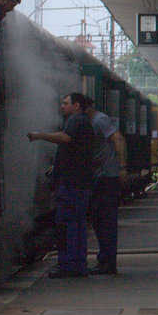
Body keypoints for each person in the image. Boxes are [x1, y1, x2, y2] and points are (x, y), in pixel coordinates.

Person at [28, 92, 97, 277]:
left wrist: (39, 135)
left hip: (71, 184)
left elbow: (66, 138)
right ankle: (79, 265)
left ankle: (67, 266)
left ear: (76, 105)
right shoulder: (85, 122)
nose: (62, 106)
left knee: (67, 225)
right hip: (81, 183)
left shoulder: (75, 120)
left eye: (66, 103)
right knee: (79, 225)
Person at [86, 100, 127, 275]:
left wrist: (122, 166)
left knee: (105, 222)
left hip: (106, 177)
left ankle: (107, 262)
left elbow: (118, 138)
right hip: (102, 176)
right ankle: (105, 260)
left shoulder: (100, 120)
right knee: (100, 220)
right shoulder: (95, 121)